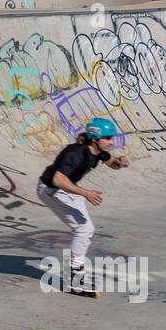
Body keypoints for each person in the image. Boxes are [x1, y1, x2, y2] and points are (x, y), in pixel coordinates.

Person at [36, 117, 130, 285]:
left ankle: (75, 270)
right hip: (50, 190)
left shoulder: (99, 152)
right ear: (95, 138)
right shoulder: (75, 153)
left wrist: (120, 162)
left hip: (64, 189)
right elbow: (58, 179)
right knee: (84, 228)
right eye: (108, 138)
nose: (112, 141)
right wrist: (85, 192)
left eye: (112, 138)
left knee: (86, 228)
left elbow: (112, 163)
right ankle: (75, 276)